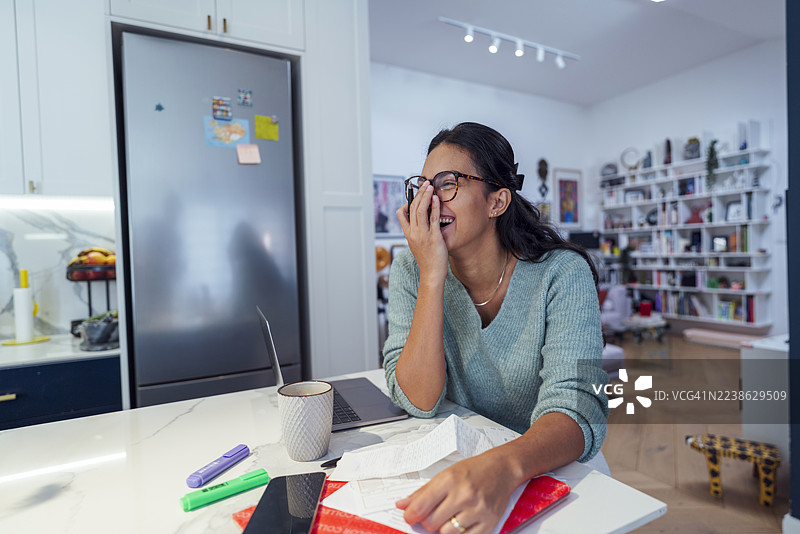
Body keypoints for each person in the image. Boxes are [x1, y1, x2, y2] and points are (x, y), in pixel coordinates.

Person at [383, 122, 608, 534]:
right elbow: (418, 399)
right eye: (423, 186)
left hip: (552, 468)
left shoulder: (561, 274)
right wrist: (432, 276)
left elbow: (579, 408)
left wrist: (503, 467)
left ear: (497, 201)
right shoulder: (410, 269)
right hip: (464, 462)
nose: (430, 200)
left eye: (448, 183)